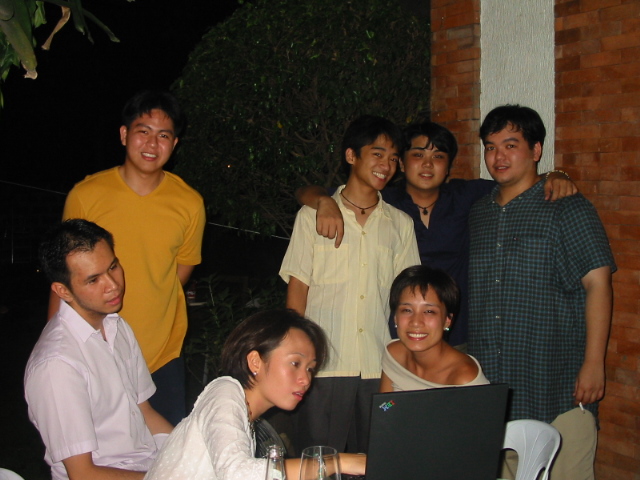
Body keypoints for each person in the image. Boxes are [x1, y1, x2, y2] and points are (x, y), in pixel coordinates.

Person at [297, 121, 577, 349]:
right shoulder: (384, 203)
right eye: (418, 155)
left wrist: (557, 174)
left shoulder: (466, 196)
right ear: (402, 163)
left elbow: (517, 181)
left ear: (448, 166)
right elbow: (307, 192)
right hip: (400, 336)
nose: (428, 165)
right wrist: (323, 201)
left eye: (438, 157)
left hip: (457, 336)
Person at [468, 105, 616, 480]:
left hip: (557, 387)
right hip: (494, 392)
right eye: (490, 147)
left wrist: (594, 363)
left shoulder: (568, 207)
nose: (498, 157)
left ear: (536, 150)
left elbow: (598, 283)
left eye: (510, 145)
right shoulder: (479, 213)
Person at [52, 90, 207, 425]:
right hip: (97, 350)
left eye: (163, 135)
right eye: (143, 131)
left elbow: (183, 267)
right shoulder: (87, 195)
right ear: (124, 135)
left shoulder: (189, 203)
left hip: (161, 355)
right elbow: (65, 275)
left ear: (174, 144)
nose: (152, 144)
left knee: (167, 450)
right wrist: (53, 342)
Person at [280, 115, 420, 454]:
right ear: (351, 156)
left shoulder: (400, 224)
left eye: (393, 158)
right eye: (377, 154)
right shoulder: (311, 216)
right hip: (323, 365)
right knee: (318, 461)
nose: (386, 165)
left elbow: (408, 300)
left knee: (376, 459)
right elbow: (297, 291)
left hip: (378, 366)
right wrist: (293, 357)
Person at [26, 219, 173, 480]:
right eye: (93, 280)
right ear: (63, 291)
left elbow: (144, 411)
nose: (113, 285)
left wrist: (189, 452)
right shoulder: (57, 365)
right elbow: (82, 474)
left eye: (113, 267)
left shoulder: (116, 326)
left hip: (148, 466)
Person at [144, 309, 367, 480]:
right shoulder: (224, 392)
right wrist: (336, 462)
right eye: (295, 363)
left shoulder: (247, 416)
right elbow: (237, 474)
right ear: (255, 362)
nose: (306, 379)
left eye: (310, 368)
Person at [380, 265, 488, 392]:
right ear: (395, 317)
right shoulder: (394, 354)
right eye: (407, 310)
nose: (416, 322)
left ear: (447, 320)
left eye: (429, 311)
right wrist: (389, 404)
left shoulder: (464, 377)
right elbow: (386, 402)